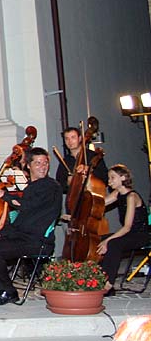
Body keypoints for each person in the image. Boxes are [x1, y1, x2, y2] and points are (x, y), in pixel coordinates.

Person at [0, 147, 61, 305]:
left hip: (39, 241)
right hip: (25, 238)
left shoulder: (50, 186)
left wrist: (1, 193)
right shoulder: (32, 187)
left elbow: (25, 206)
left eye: (45, 163)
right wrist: (0, 234)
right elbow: (22, 220)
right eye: (37, 163)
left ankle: (7, 291)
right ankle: (1, 290)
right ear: (28, 166)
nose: (42, 166)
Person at [98, 164, 150, 296]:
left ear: (123, 177)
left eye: (112, 177)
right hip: (129, 234)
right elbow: (99, 204)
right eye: (109, 178)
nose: (109, 181)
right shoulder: (117, 193)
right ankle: (99, 278)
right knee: (98, 240)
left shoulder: (131, 197)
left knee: (113, 243)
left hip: (140, 235)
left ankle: (108, 284)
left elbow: (127, 227)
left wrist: (107, 241)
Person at [55, 127, 108, 193]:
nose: (70, 141)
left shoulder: (92, 156)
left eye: (73, 137)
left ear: (80, 138)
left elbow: (105, 178)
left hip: (92, 194)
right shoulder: (65, 160)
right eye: (67, 138)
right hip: (75, 197)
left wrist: (89, 171)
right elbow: (59, 185)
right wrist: (68, 182)